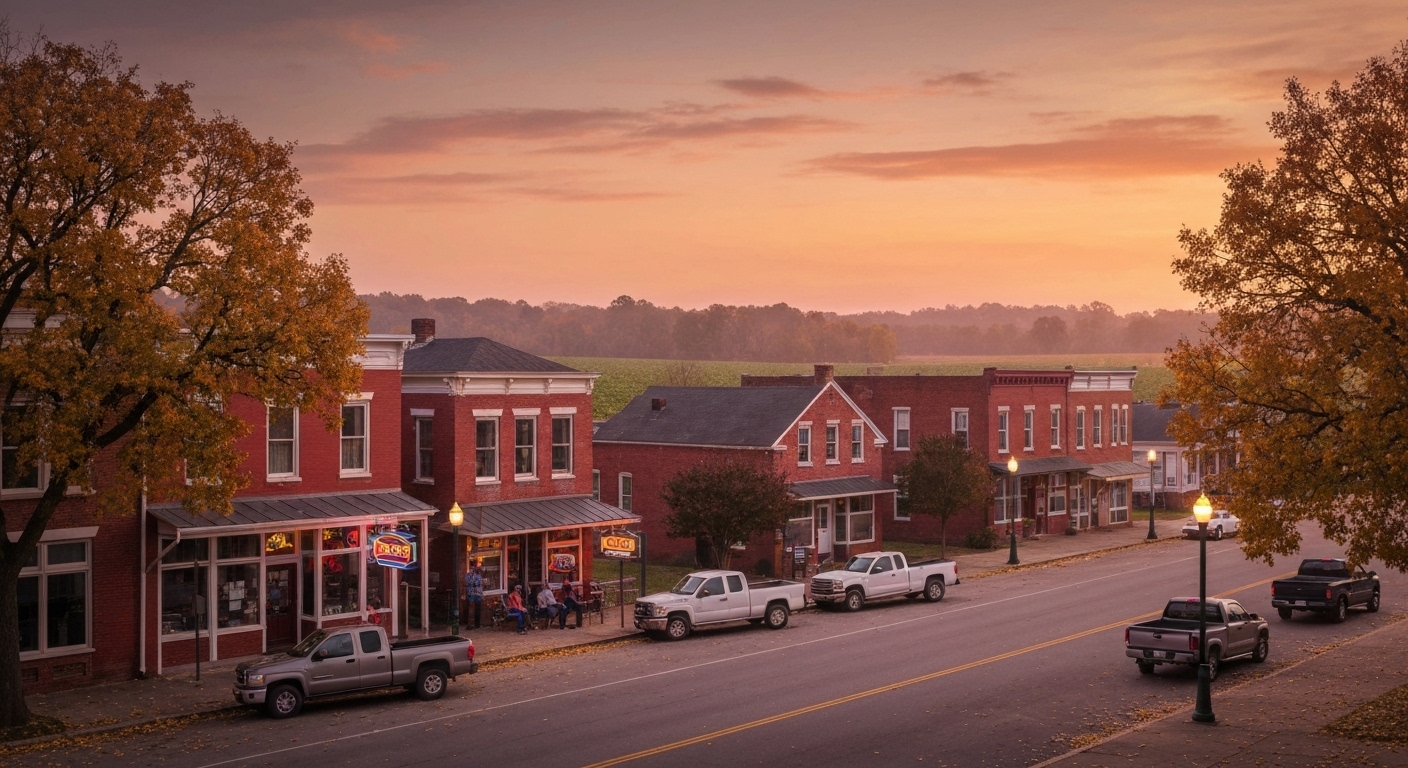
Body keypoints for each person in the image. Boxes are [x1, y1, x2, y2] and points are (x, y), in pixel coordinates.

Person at [465, 562, 484, 629]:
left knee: (471, 609)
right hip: (477, 593)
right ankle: (476, 624)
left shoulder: (467, 576)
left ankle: (471, 624)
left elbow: (467, 583)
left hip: (471, 593)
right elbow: (478, 584)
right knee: (476, 609)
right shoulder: (478, 576)